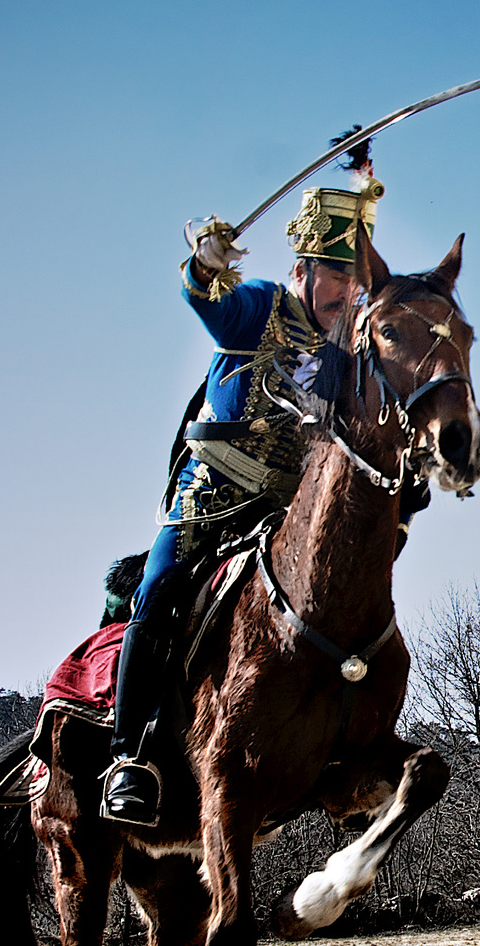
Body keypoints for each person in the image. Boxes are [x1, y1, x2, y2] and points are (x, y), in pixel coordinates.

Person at [101, 152, 398, 826]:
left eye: (356, 282)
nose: (346, 293)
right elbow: (204, 296)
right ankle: (131, 757)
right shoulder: (259, 307)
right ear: (302, 270)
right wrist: (205, 264)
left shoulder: (341, 358)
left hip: (284, 516)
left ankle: (334, 755)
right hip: (211, 501)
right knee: (157, 590)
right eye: (335, 277)